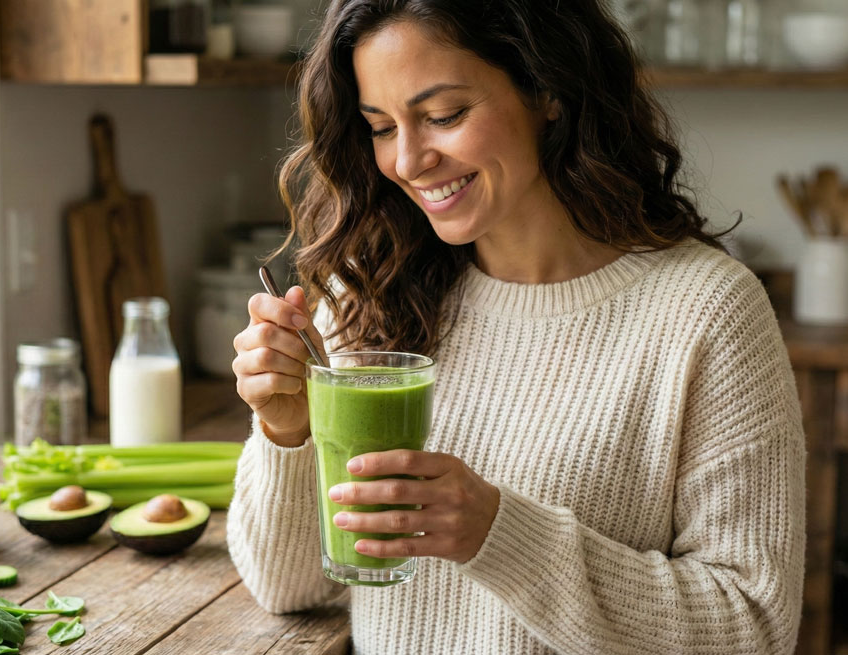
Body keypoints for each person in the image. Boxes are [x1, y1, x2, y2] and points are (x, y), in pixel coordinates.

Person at [227, 0, 806, 653]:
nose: (410, 160)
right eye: (382, 127)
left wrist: (498, 534)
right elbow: (288, 587)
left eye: (443, 116)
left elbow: (754, 626)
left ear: (547, 90)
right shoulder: (372, 288)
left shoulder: (707, 311)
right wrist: (287, 428)